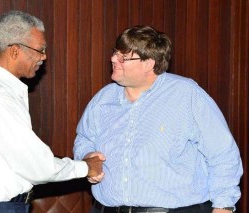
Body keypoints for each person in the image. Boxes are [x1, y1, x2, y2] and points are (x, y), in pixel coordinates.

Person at [73, 25, 243, 213]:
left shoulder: (186, 95)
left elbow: (223, 154)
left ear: (149, 63)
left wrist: (224, 206)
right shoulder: (103, 99)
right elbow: (84, 139)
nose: (113, 59)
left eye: (124, 57)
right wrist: (87, 157)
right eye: (115, 53)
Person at [0, 10, 103, 213]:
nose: (44, 57)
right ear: (15, 51)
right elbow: (37, 166)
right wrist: (86, 167)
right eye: (40, 50)